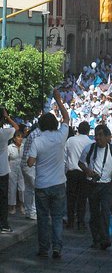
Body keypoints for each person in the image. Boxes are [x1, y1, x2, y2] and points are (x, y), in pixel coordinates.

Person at [27, 89, 69, 258]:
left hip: (42, 184)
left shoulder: (37, 141)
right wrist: (59, 100)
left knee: (43, 218)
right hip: (59, 183)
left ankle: (44, 248)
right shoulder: (61, 136)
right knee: (57, 218)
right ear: (55, 124)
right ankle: (57, 247)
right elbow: (66, 118)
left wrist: (36, 160)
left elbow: (30, 162)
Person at [78, 124, 112, 250]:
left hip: (107, 186)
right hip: (92, 185)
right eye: (96, 135)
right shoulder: (89, 148)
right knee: (94, 213)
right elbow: (80, 163)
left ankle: (105, 238)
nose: (98, 138)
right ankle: (96, 239)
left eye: (101, 135)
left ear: (108, 137)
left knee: (105, 212)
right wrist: (87, 170)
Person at [64, 121, 93, 230]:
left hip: (72, 172)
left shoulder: (70, 140)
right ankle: (81, 222)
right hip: (84, 172)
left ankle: (70, 221)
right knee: (82, 199)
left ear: (78, 129)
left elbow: (64, 157)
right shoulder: (90, 142)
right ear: (88, 130)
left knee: (71, 198)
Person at [0, 107, 19, 233]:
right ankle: (3, 224)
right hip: (2, 170)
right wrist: (7, 117)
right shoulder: (3, 133)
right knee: (3, 198)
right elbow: (17, 128)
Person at [21, 124, 41, 220]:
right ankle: (33, 212)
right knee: (34, 189)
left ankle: (29, 212)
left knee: (28, 189)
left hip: (25, 164)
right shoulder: (38, 134)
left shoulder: (33, 133)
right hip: (31, 164)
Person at [8, 130, 25, 215]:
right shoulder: (10, 147)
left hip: (22, 169)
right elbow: (6, 159)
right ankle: (12, 206)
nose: (20, 138)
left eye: (21, 136)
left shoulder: (23, 146)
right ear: (14, 138)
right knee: (12, 188)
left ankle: (22, 205)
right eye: (18, 136)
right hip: (12, 169)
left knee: (22, 188)